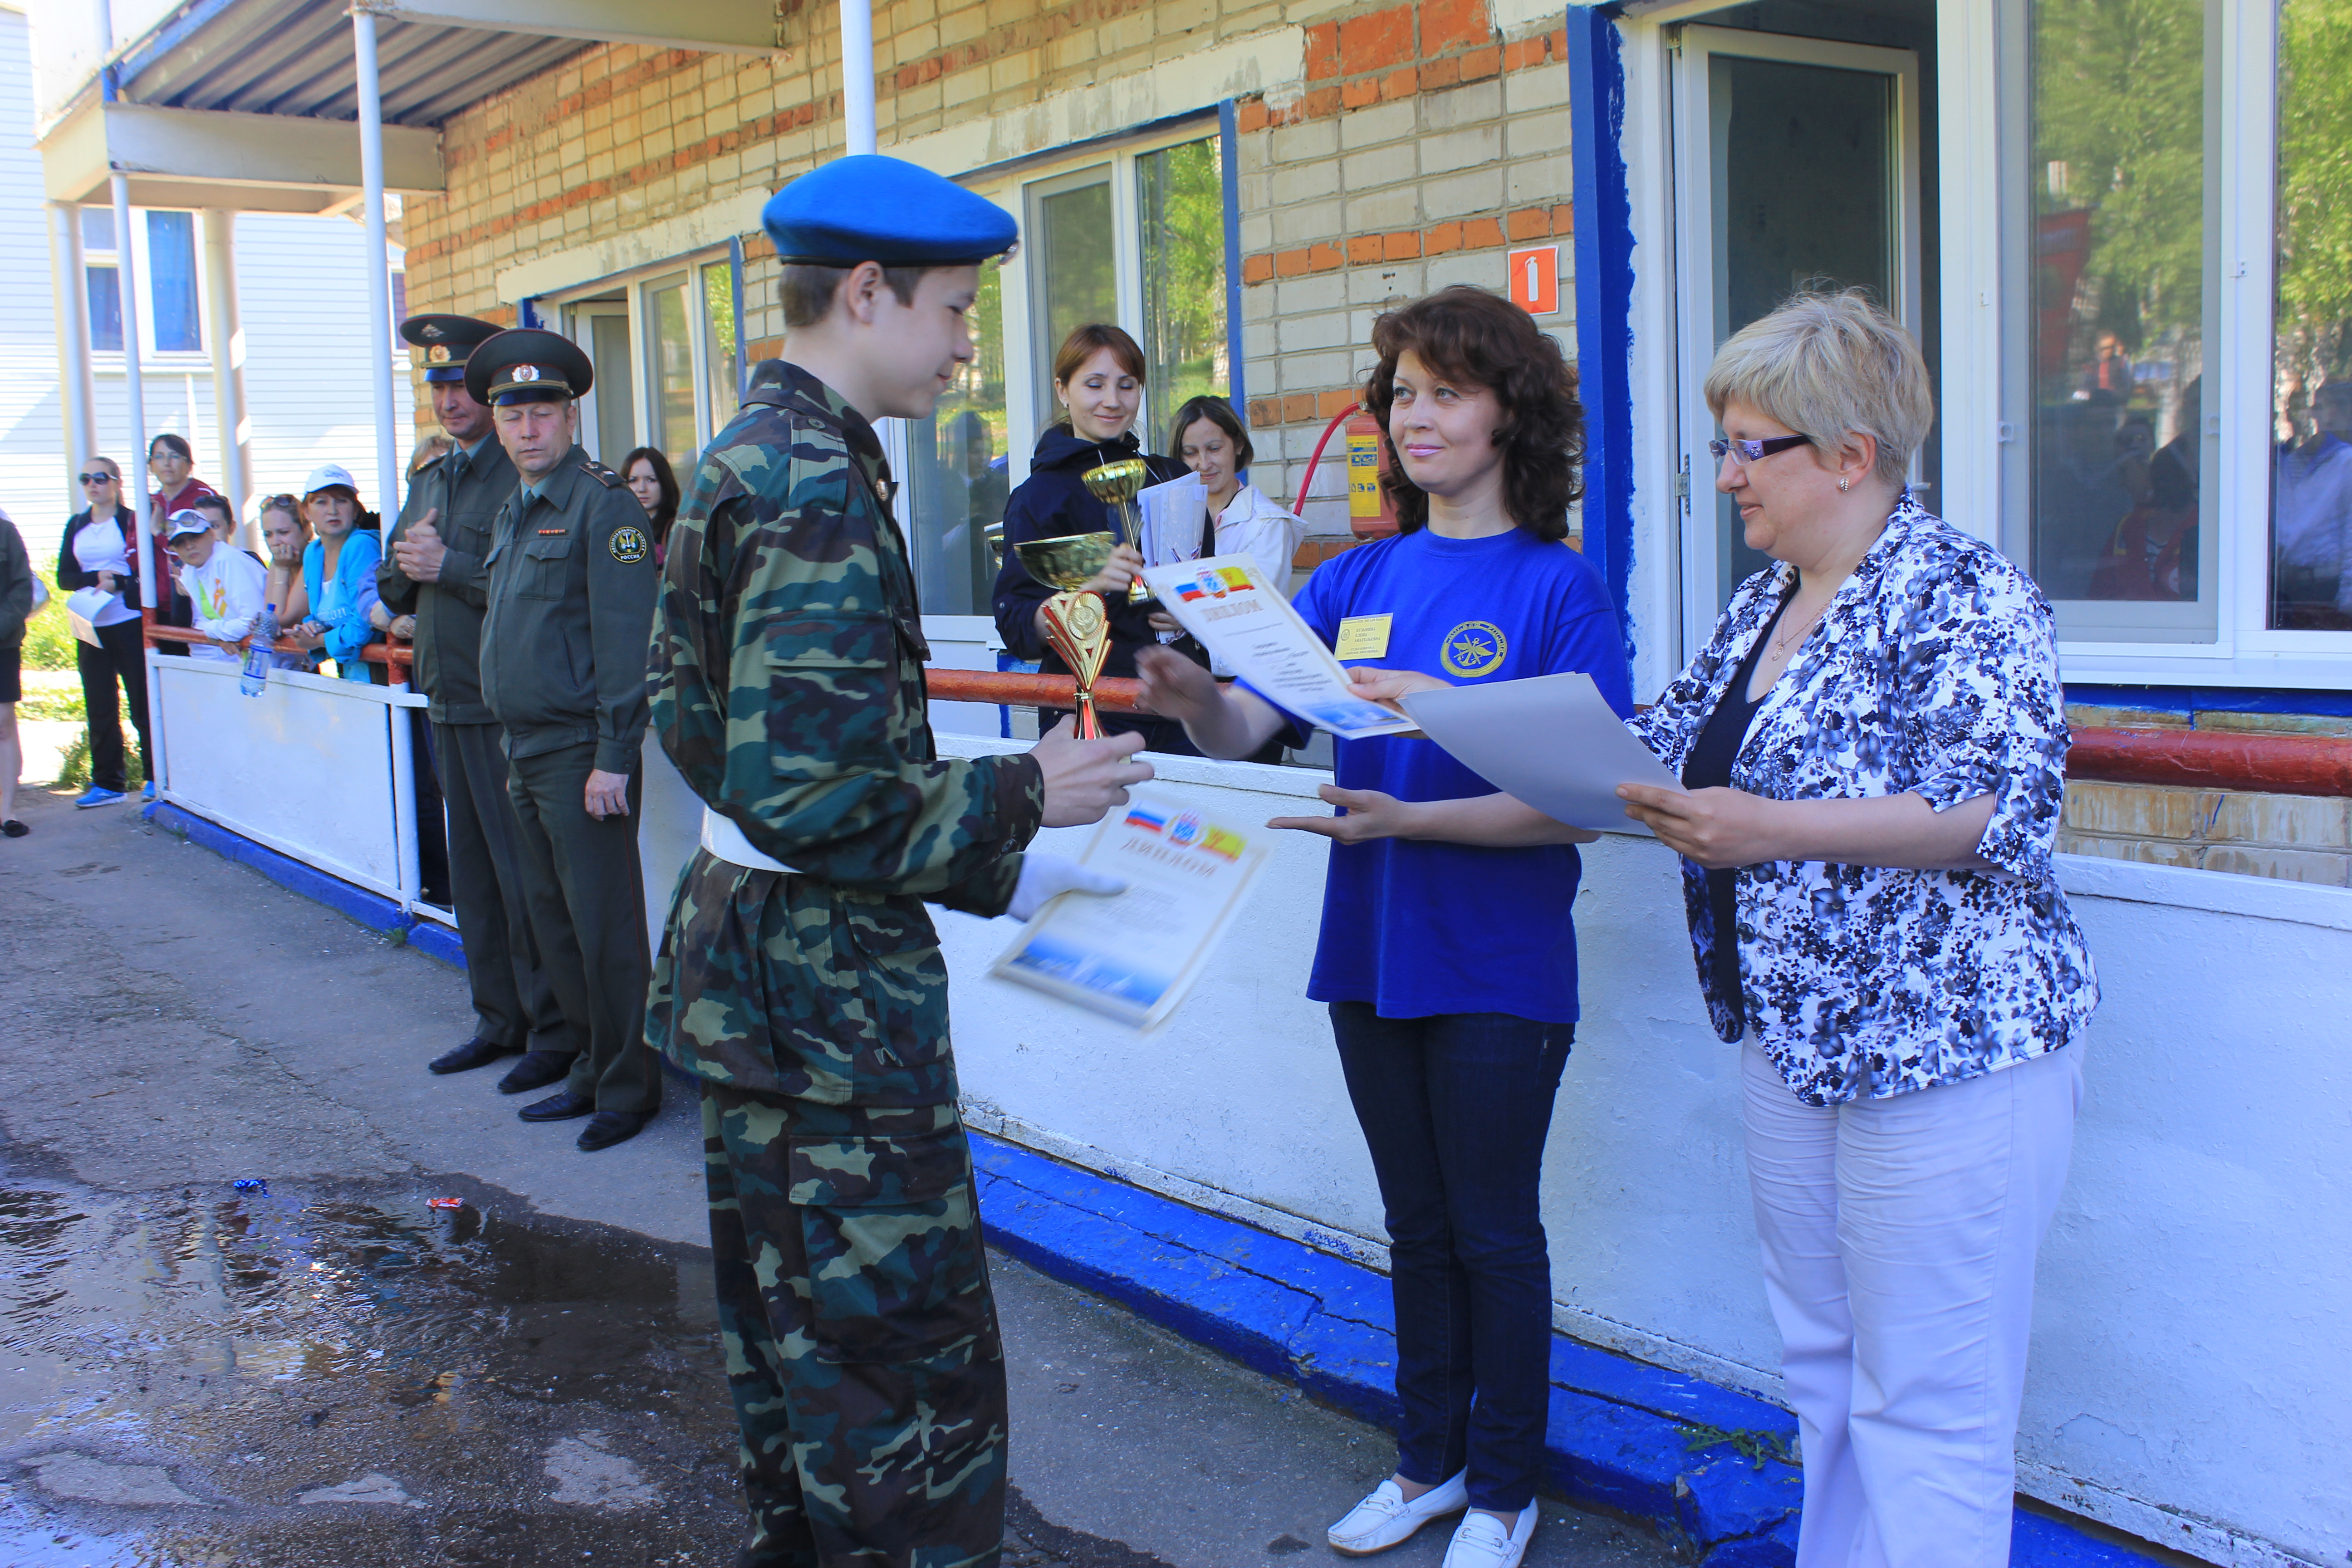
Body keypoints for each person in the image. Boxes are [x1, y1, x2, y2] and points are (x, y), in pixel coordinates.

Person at [647, 155, 1152, 1568]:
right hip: (825, 1011)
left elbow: (695, 725)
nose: (966, 345)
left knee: (795, 1350)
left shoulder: (757, 450)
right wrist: (1019, 798)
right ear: (865, 293)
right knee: (897, 1375)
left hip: (758, 976)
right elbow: (811, 788)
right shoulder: (810, 479)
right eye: (951, 310)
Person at [1134, 285, 1632, 1568]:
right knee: (1414, 1228)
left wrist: (1411, 824)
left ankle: (1505, 1491)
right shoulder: (1352, 573)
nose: (1416, 415)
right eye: (1401, 392)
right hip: (1371, 945)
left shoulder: (1559, 590)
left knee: (1493, 1232)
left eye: (1446, 392)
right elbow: (1248, 726)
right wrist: (1185, 685)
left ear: (1511, 416)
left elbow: (1578, 808)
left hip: (1499, 963)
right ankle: (1427, 1464)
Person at [1614, 290, 2098, 1568]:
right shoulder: (1763, 608)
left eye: (1747, 445)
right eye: (1718, 445)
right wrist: (1431, 753)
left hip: (1948, 1053)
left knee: (1928, 1406)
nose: (1724, 476)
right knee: (1825, 1369)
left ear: (1849, 456)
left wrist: (1769, 828)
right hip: (1797, 1045)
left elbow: (1993, 807)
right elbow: (1644, 764)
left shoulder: (1965, 593)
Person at [468, 328, 663, 1153]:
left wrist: (614, 755)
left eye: (542, 412)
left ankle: (628, 1085)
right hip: (524, 746)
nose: (527, 430)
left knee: (605, 928)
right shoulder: (517, 506)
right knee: (555, 924)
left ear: (571, 415)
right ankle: (587, 1066)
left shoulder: (603, 504)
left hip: (582, 751)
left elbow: (628, 642)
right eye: (512, 416)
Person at [381, 312, 568, 1088]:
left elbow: (539, 588)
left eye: (459, 383)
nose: (448, 398)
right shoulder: (431, 476)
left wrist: (447, 562)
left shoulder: (519, 476)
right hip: (446, 699)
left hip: (505, 705)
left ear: (489, 391)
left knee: (527, 878)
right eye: (436, 385)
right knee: (475, 878)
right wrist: (410, 563)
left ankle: (553, 1031)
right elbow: (395, 580)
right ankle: (498, 1019)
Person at [989, 322, 1198, 752]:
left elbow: (1207, 576)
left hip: (1183, 708)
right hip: (1093, 711)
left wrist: (1192, 615)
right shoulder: (1039, 497)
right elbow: (1016, 622)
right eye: (1095, 384)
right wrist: (1090, 585)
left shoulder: (1169, 478)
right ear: (1063, 390)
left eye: (1126, 385)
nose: (1112, 401)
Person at [56, 458, 152, 806]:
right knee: (99, 703)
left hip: (126, 619)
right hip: (89, 622)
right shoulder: (77, 525)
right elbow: (64, 577)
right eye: (86, 479)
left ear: (116, 482)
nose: (93, 485)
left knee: (141, 699)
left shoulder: (130, 520)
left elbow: (147, 568)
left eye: (100, 478)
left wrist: (121, 583)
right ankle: (108, 783)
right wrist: (95, 580)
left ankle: (155, 775)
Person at [289, 464, 384, 682]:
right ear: (306, 512)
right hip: (350, 676)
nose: (333, 510)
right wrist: (313, 625)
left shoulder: (361, 546)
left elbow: (362, 627)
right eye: (321, 502)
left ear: (355, 509)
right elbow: (322, 613)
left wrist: (317, 640)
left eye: (342, 500)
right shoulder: (313, 552)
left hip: (380, 677)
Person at [144, 433, 219, 652]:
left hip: (195, 599)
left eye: (174, 456)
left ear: (188, 463)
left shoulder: (202, 498)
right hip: (157, 601)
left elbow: (201, 548)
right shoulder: (151, 502)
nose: (167, 463)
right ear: (151, 465)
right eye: (159, 457)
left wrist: (159, 532)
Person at [162, 508, 266, 662]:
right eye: (180, 543)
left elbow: (254, 622)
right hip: (230, 663)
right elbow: (197, 623)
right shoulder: (190, 570)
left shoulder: (229, 560)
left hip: (266, 663)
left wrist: (213, 631)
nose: (189, 546)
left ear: (212, 534)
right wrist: (218, 634)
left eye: (195, 537)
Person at [0, 507, 29, 839]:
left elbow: (22, 588)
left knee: (3, 725)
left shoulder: (6, 533)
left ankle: (7, 812)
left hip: (3, 643)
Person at [619, 446, 681, 564]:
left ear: (665, 483)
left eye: (651, 480)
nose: (642, 489)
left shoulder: (679, 528)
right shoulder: (614, 527)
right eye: (633, 480)